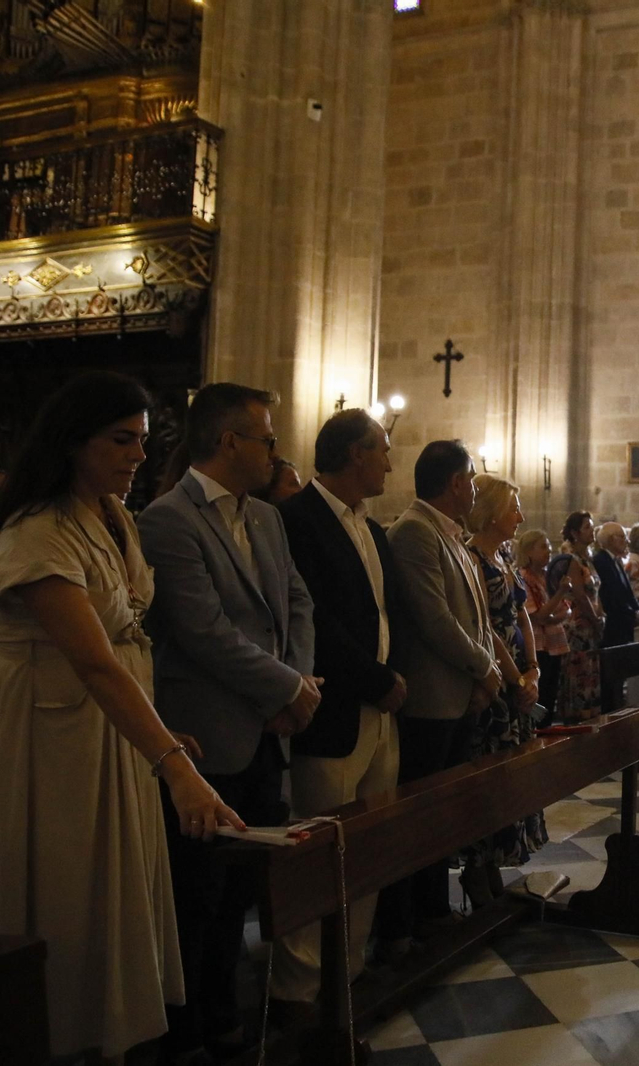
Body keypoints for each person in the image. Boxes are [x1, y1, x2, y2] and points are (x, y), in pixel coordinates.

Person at [0, 371, 244, 1064]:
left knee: (111, 892)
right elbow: (95, 660)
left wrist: (163, 732)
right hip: (50, 728)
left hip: (110, 725)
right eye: (119, 440)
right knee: (61, 891)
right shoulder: (38, 528)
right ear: (73, 441)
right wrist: (173, 765)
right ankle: (52, 1035)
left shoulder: (113, 515)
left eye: (141, 441)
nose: (137, 455)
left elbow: (130, 637)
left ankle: (101, 1036)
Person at [138, 383, 319, 1062]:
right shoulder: (168, 519)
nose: (276, 449)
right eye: (266, 437)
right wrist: (285, 689)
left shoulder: (267, 518)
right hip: (206, 736)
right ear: (230, 441)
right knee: (197, 896)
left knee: (243, 889)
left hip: (265, 732)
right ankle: (186, 1028)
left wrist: (295, 685)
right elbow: (202, 631)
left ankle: (227, 1007)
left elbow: (296, 603)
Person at [269, 409, 409, 1003]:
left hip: (380, 712)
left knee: (368, 846)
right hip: (330, 708)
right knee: (317, 848)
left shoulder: (373, 529)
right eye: (381, 450)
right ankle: (303, 988)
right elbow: (314, 622)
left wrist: (391, 678)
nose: (388, 461)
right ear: (355, 454)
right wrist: (375, 680)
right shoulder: (294, 520)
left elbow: (385, 613)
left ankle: (347, 970)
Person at [386, 440, 500, 934]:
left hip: (457, 695)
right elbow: (434, 618)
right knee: (420, 817)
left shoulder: (449, 533)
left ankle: (434, 908)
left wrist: (481, 670)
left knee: (442, 816)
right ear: (455, 482)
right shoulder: (414, 530)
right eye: (471, 479)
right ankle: (409, 919)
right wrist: (482, 667)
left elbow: (475, 618)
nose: (474, 489)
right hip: (431, 698)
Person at [460, 473, 547, 903]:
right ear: (492, 512)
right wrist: (515, 679)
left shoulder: (506, 556)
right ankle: (478, 868)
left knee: (513, 775)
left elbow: (521, 615)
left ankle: (496, 863)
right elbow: (486, 626)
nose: (521, 516)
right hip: (494, 677)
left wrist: (533, 668)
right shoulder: (472, 555)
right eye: (514, 508)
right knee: (488, 774)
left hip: (518, 671)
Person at [550, 511, 604, 719]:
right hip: (579, 623)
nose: (592, 531)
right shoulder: (572, 560)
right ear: (574, 533)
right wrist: (595, 620)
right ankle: (577, 717)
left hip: (590, 622)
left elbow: (596, 592)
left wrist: (601, 614)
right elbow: (581, 596)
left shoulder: (587, 559)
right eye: (587, 528)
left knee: (590, 671)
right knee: (580, 672)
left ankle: (589, 715)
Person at [519, 529, 572, 714]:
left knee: (551, 694)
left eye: (549, 547)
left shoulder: (548, 576)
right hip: (538, 645)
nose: (549, 552)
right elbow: (538, 615)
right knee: (541, 695)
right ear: (528, 552)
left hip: (555, 642)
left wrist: (552, 616)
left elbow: (565, 610)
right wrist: (559, 594)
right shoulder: (524, 578)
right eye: (543, 547)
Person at [593, 521, 639, 647]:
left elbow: (628, 592)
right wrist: (633, 614)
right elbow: (612, 594)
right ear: (611, 539)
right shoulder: (601, 561)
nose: (627, 541)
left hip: (624, 625)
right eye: (622, 537)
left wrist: (638, 609)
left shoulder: (615, 560)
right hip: (614, 625)